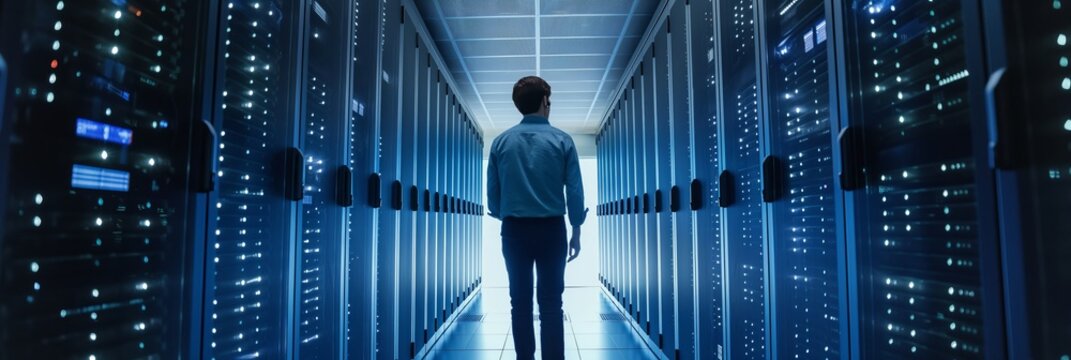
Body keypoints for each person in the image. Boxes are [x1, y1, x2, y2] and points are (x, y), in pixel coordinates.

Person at [487, 76, 586, 360]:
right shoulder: (562, 140)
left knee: (519, 302)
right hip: (551, 230)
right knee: (551, 303)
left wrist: (507, 213)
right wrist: (576, 229)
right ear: (545, 101)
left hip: (514, 231)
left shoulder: (500, 142)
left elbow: (493, 196)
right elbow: (575, 192)